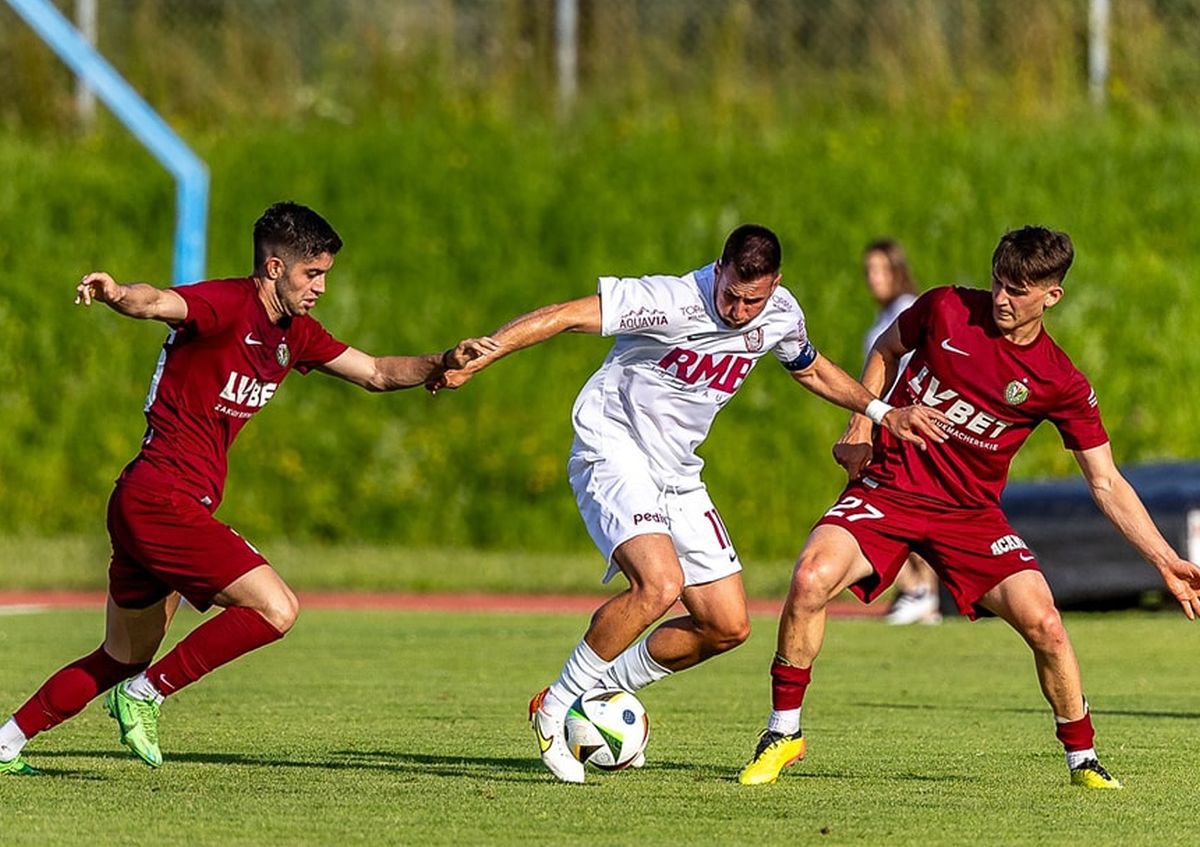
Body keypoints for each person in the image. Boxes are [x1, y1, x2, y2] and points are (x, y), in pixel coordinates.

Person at [432, 224, 945, 783]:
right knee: (658, 585)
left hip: (678, 470)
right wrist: (485, 353)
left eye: (755, 299)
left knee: (727, 626)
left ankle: (600, 685)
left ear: (775, 285)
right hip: (614, 445)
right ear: (719, 268)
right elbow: (565, 314)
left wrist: (878, 413)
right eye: (731, 294)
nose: (740, 309)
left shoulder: (779, 313)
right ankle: (554, 708)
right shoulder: (670, 300)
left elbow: (812, 368)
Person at [0, 201, 496, 776]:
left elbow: (378, 372)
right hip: (162, 498)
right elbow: (158, 301)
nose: (322, 288)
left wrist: (442, 361)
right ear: (276, 268)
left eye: (326, 275)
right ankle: (146, 694)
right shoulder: (228, 304)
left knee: (120, 655)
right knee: (276, 608)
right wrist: (115, 295)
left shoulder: (295, 334)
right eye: (314, 275)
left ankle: (7, 741)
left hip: (148, 501)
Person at [738, 226, 1200, 790]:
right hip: (889, 486)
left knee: (1047, 624)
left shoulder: (1059, 380)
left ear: (1051, 296)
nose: (1002, 298)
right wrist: (862, 420)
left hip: (970, 515)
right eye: (999, 283)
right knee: (810, 578)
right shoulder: (947, 308)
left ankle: (1084, 760)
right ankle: (783, 733)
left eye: (1019, 290)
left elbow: (1105, 482)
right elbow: (886, 349)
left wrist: (1163, 560)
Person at [861, 239, 941, 625]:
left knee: (898, 503)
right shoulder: (886, 313)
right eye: (869, 272)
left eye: (881, 270)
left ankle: (919, 590)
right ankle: (919, 592)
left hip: (906, 420)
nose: (873, 279)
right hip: (885, 419)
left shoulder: (909, 308)